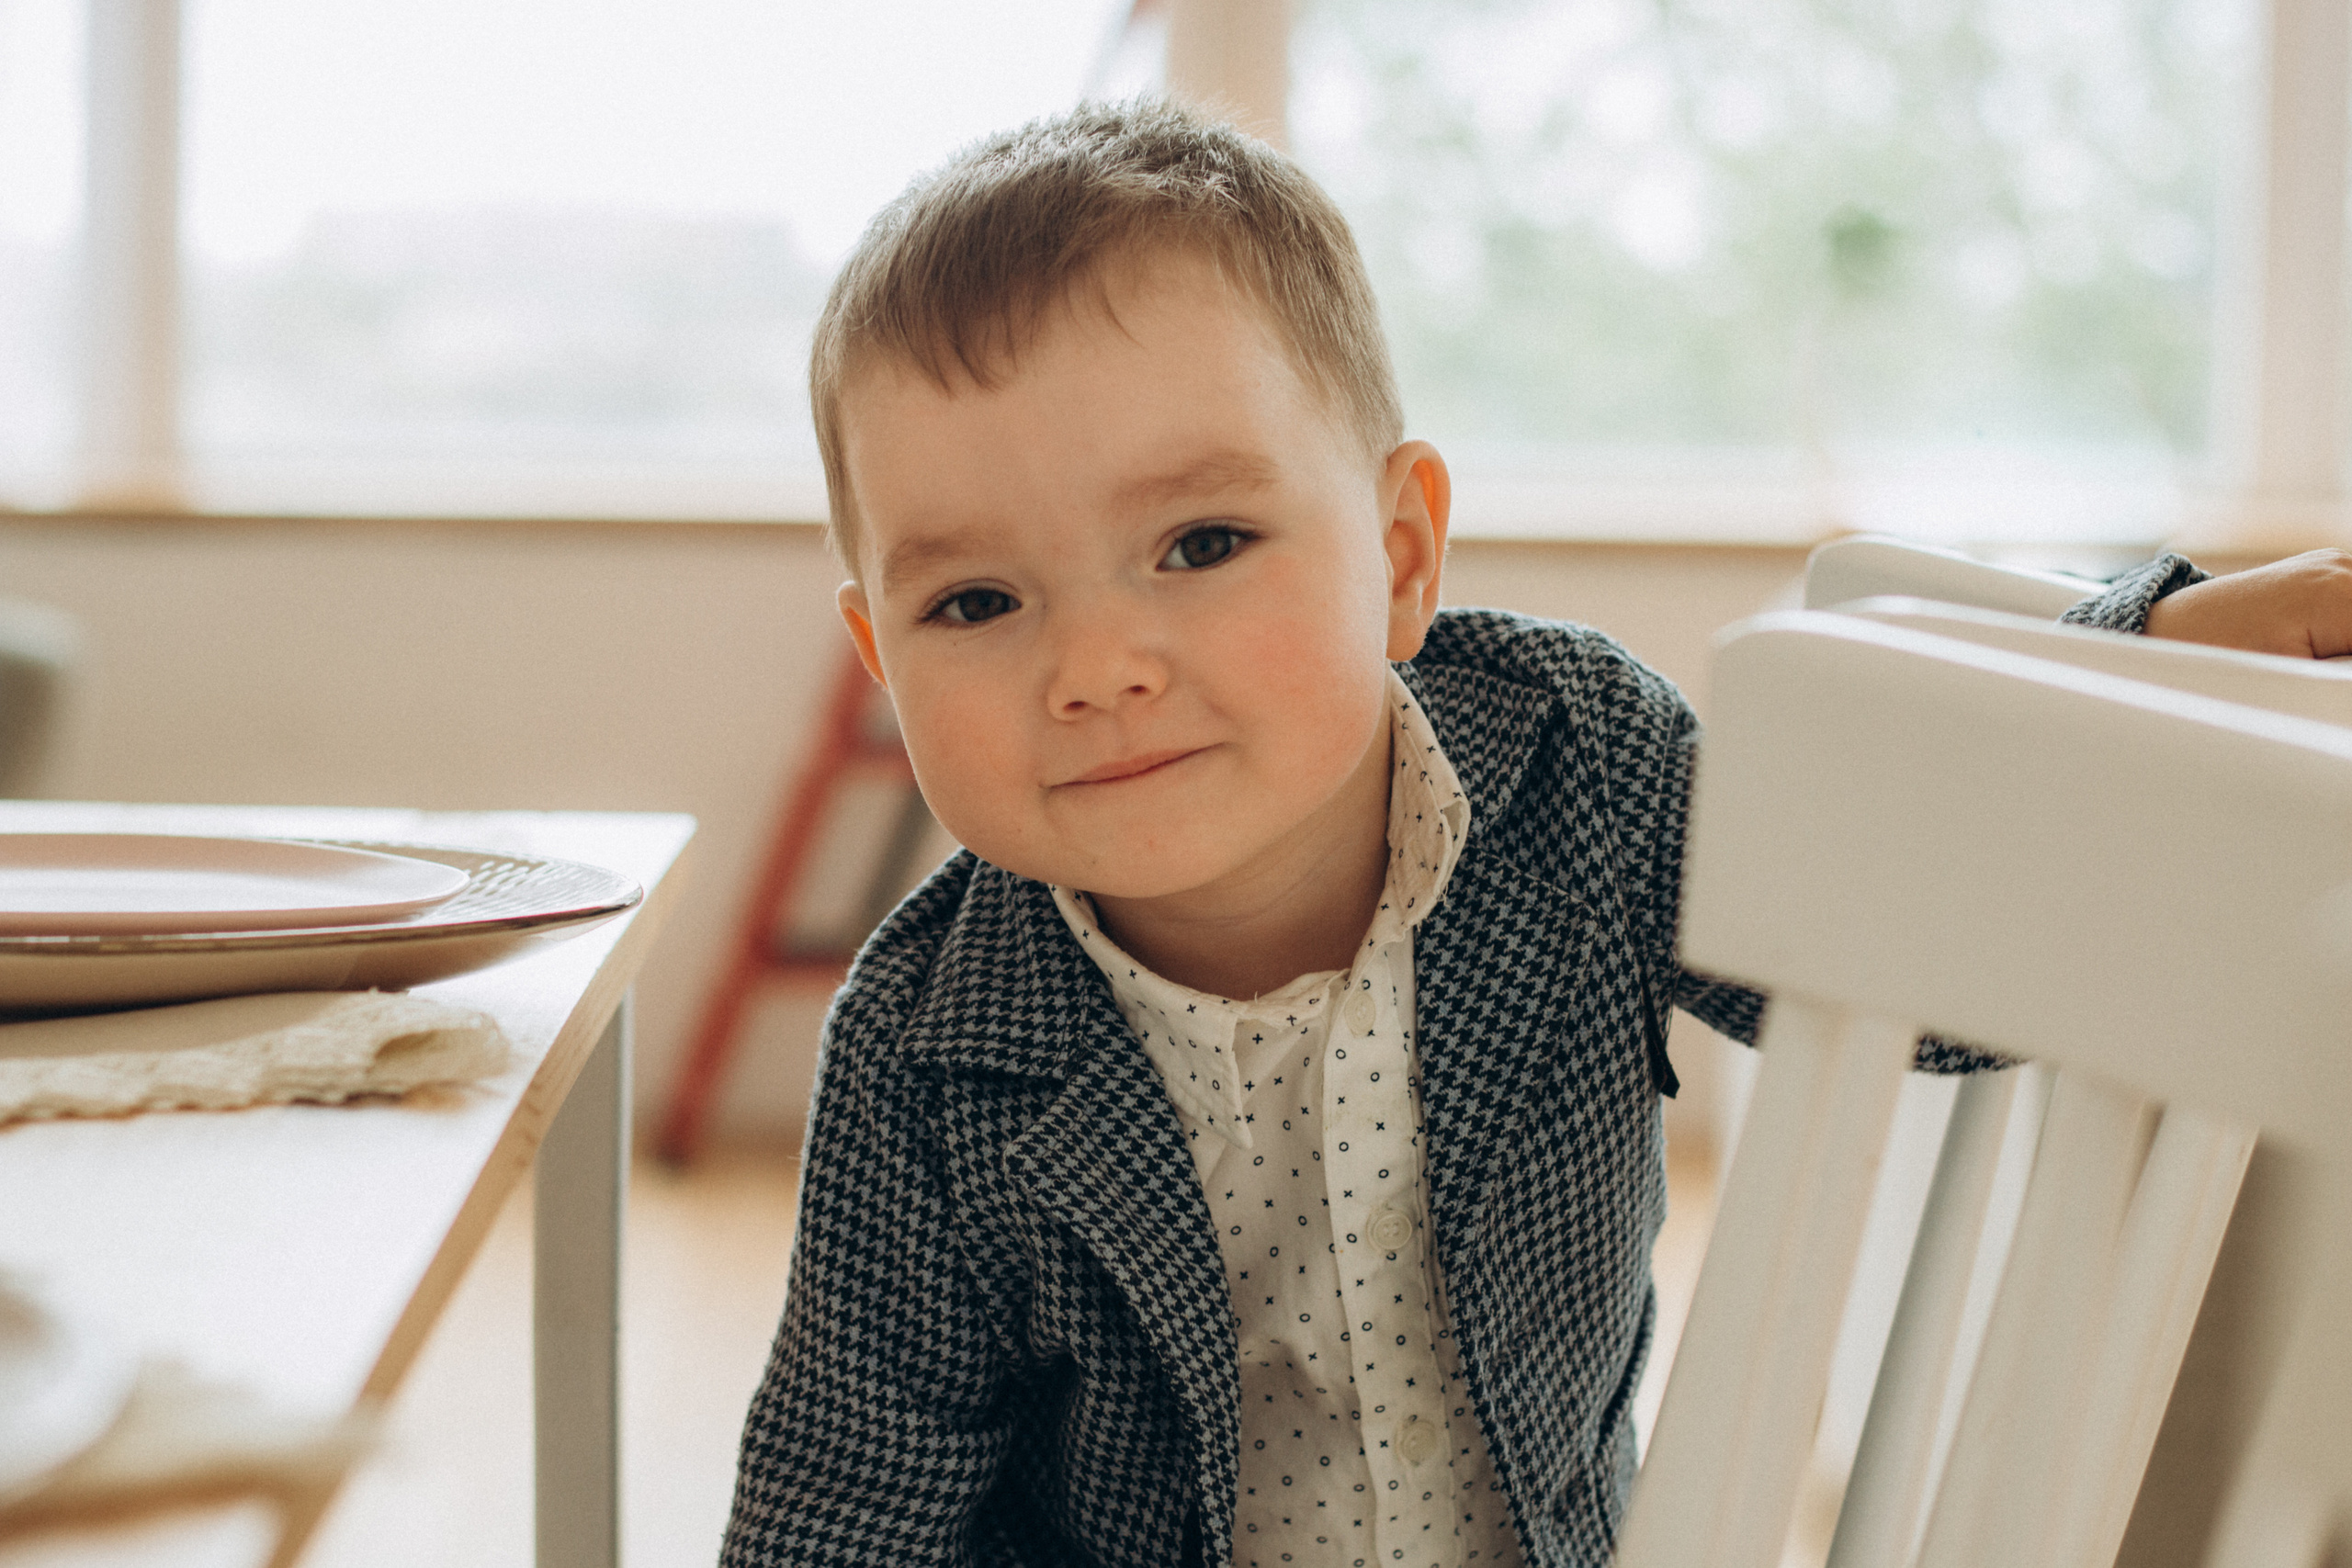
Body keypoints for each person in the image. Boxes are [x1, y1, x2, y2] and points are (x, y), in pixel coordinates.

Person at [720, 98, 2352, 1568]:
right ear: (881, 657)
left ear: (1402, 556)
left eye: (1201, 543)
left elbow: (1926, 971)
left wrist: (2140, 653)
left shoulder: (1580, 769)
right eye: (976, 602)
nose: (1096, 667)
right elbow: (845, 1505)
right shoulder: (926, 1046)